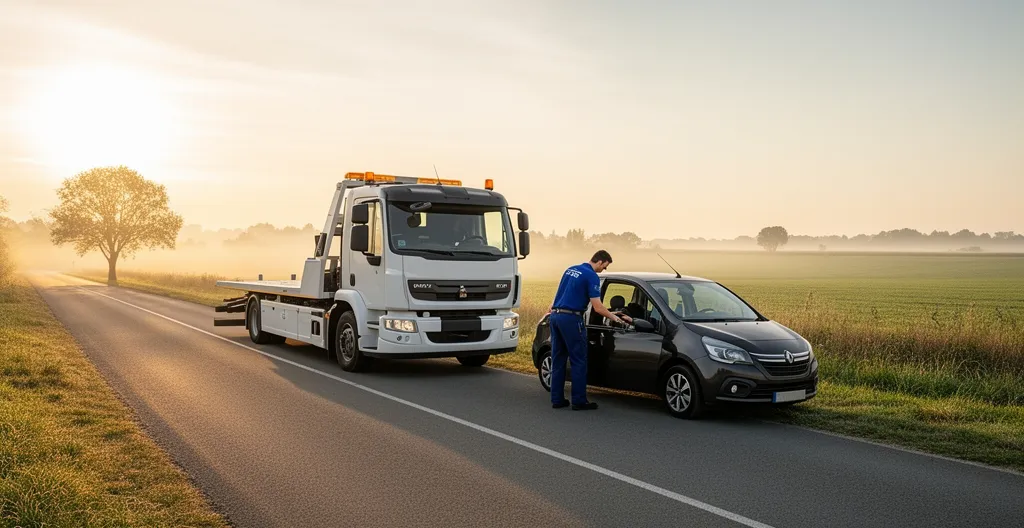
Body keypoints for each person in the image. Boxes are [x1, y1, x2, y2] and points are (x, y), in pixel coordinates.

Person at [546, 250, 632, 410]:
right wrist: (617, 319)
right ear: (600, 261)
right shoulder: (591, 276)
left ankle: (557, 400)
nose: (603, 270)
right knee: (579, 360)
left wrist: (611, 313)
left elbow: (559, 296)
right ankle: (579, 401)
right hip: (572, 319)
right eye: (604, 267)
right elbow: (598, 307)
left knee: (558, 359)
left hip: (556, 316)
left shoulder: (571, 269)